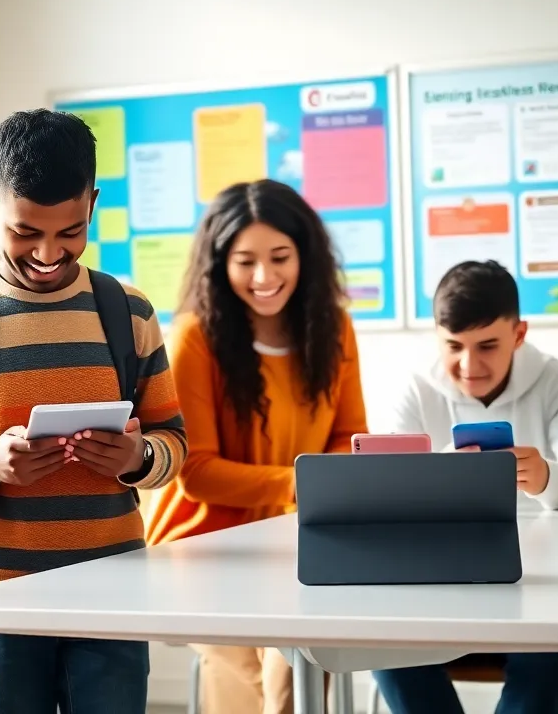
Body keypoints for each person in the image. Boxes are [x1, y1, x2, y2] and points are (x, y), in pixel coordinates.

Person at [0, 108, 188, 714]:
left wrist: (138, 456)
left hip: (114, 583)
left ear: (92, 203)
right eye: (25, 231)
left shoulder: (129, 312)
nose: (46, 252)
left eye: (68, 232)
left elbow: (173, 444)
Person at [142, 179, 368, 714]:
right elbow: (195, 471)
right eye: (245, 261)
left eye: (280, 257)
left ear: (305, 257)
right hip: (205, 549)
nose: (264, 277)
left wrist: (318, 491)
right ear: (219, 264)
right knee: (257, 687)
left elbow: (348, 435)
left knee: (301, 666)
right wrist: (306, 484)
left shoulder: (333, 329)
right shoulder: (196, 337)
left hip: (298, 540)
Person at [371, 259, 558, 714]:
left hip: (544, 594)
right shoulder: (417, 388)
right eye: (453, 347)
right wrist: (436, 477)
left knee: (549, 654)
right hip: (439, 595)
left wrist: (544, 476)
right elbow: (388, 497)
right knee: (383, 647)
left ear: (519, 335)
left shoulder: (555, 380)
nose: (469, 365)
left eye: (487, 345)